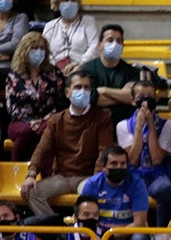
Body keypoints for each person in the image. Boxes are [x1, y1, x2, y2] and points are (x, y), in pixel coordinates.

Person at [21, 70, 114, 216]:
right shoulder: (56, 120)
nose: (82, 91)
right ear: (67, 92)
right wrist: (31, 174)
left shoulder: (102, 118)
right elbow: (42, 149)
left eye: (86, 87)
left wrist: (97, 178)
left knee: (91, 193)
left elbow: (104, 151)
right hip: (62, 177)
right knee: (30, 192)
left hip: (88, 177)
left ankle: (82, 230)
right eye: (78, 87)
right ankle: (57, 229)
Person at [116, 81, 171, 226]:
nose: (146, 100)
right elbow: (132, 160)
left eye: (150, 96)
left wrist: (151, 127)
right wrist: (138, 128)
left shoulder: (167, 125)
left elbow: (156, 159)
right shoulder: (122, 126)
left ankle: (163, 233)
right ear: (133, 100)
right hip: (133, 174)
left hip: (156, 174)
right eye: (141, 96)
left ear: (156, 99)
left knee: (165, 188)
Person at [5, 31, 66, 161]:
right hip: (21, 121)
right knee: (25, 132)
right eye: (34, 48)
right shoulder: (14, 76)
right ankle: (16, 170)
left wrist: (44, 120)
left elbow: (61, 102)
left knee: (46, 131)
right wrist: (30, 121)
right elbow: (12, 107)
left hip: (48, 120)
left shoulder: (54, 73)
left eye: (42, 48)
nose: (39, 52)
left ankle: (45, 174)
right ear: (25, 51)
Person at [79, 23, 141, 124]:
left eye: (118, 41)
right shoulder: (87, 69)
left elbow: (133, 97)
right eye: (110, 40)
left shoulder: (130, 71)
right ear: (100, 44)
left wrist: (103, 90)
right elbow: (89, 99)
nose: (115, 44)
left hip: (123, 123)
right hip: (92, 123)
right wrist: (121, 96)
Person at [41, 0, 99, 74]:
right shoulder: (50, 26)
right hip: (55, 71)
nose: (70, 3)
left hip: (82, 69)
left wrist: (80, 65)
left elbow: (94, 47)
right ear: (57, 3)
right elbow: (45, 51)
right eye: (66, 0)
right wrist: (56, 68)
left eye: (73, 0)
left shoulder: (88, 21)